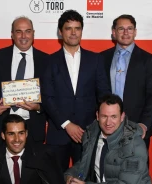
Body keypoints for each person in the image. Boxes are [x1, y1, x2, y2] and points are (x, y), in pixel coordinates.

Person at [51, 94, 152, 184]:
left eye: (114, 117)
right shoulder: (93, 133)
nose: (108, 122)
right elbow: (84, 163)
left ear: (122, 116)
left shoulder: (134, 144)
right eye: (104, 116)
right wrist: (69, 175)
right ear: (97, 115)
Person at [41, 9, 111, 172]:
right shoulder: (49, 61)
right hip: (58, 133)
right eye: (68, 28)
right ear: (60, 32)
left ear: (81, 31)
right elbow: (47, 97)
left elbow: (103, 94)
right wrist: (67, 124)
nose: (73, 33)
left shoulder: (95, 59)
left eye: (77, 28)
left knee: (87, 183)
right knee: (56, 183)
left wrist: (99, 124)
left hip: (88, 133)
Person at [0, 16, 48, 146]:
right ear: (12, 34)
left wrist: (39, 107)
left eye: (28, 31)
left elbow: (52, 96)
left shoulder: (46, 61)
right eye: (19, 31)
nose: (24, 36)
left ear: (33, 33)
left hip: (33, 129)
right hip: (1, 127)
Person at [100, 14, 152, 147]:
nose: (126, 33)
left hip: (136, 126)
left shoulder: (147, 60)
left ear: (135, 32)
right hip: (107, 125)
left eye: (130, 28)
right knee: (106, 166)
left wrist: (144, 124)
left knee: (137, 167)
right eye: (121, 29)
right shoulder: (102, 58)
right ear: (114, 32)